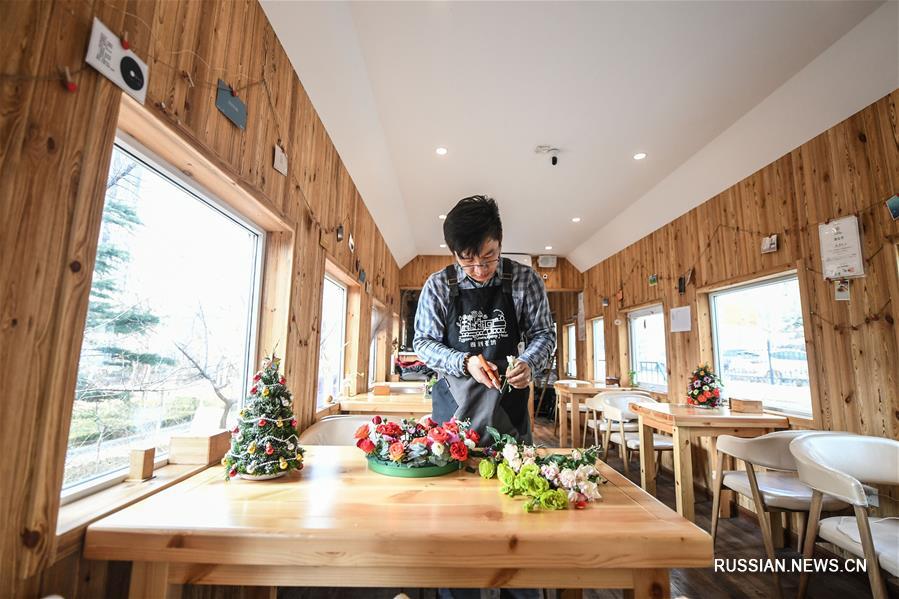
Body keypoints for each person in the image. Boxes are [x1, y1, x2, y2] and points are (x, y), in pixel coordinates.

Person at [414, 195, 555, 446]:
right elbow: (423, 342)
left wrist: (528, 363)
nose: (480, 269)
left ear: (500, 242)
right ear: (454, 253)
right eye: (468, 260)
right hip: (452, 414)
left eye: (489, 256)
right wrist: (464, 362)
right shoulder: (438, 286)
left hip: (508, 412)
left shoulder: (525, 280)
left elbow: (544, 333)